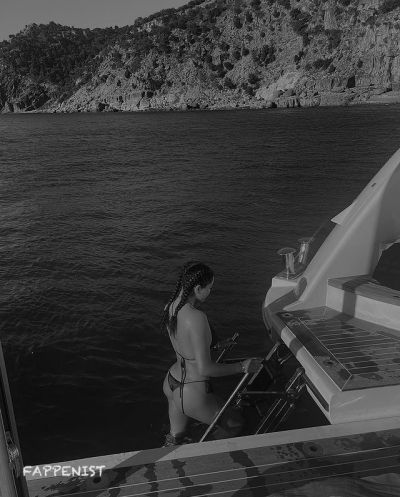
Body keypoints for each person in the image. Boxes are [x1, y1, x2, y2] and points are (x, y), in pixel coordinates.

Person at [161, 261, 263, 445]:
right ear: (197, 288)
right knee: (235, 424)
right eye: (209, 288)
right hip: (192, 391)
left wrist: (215, 346)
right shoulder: (197, 317)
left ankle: (168, 456)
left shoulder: (170, 306)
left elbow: (185, 343)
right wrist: (242, 366)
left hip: (171, 381)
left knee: (175, 437)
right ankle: (208, 454)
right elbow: (205, 369)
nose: (210, 292)